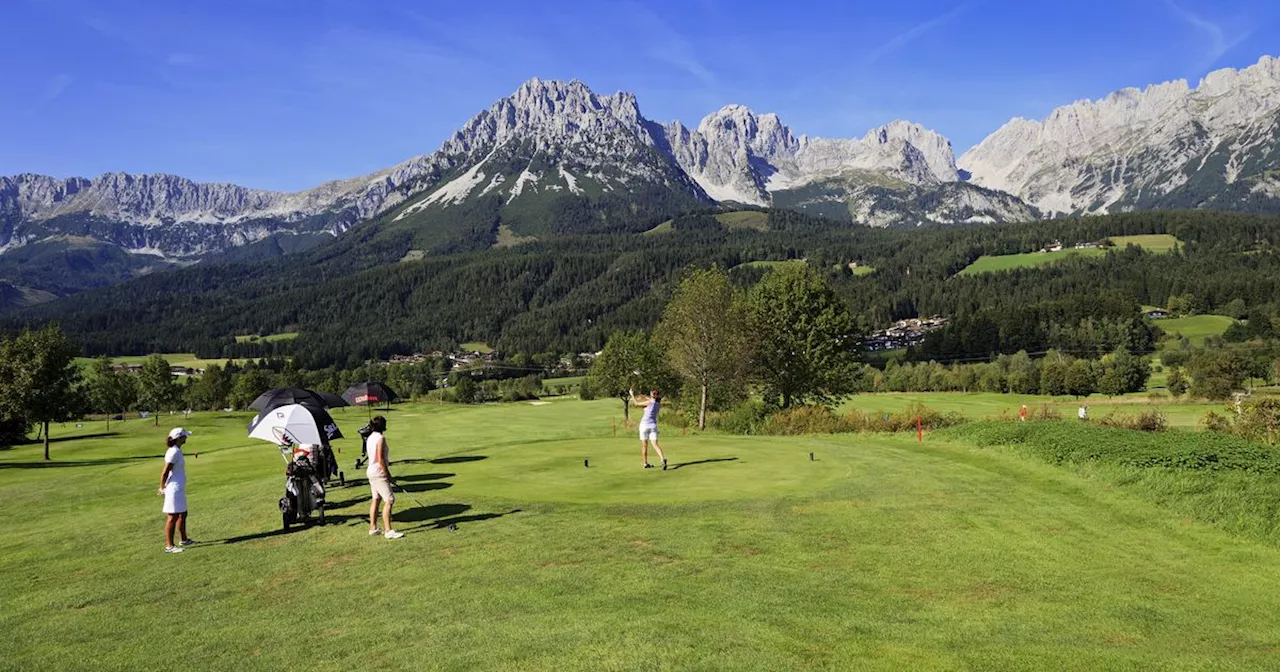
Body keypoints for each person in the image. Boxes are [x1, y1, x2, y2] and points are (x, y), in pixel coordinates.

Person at [365, 416, 403, 539]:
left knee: (376, 499)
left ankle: (373, 528)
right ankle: (388, 531)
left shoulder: (370, 437)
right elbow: (380, 459)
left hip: (371, 471)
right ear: (382, 426)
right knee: (390, 500)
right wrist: (388, 474)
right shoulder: (380, 438)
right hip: (378, 472)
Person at [158, 428, 195, 553]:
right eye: (184, 436)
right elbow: (165, 472)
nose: (186, 437)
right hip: (173, 488)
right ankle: (169, 546)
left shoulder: (177, 450)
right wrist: (162, 488)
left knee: (183, 513)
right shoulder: (173, 452)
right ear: (178, 438)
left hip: (178, 488)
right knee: (172, 516)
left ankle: (184, 539)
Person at [630, 388, 667, 470]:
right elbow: (651, 399)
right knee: (655, 444)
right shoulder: (658, 404)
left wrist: (632, 395)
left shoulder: (649, 402)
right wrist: (643, 396)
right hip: (653, 426)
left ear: (652, 394)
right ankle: (662, 459)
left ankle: (645, 464)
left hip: (644, 426)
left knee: (644, 445)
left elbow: (636, 404)